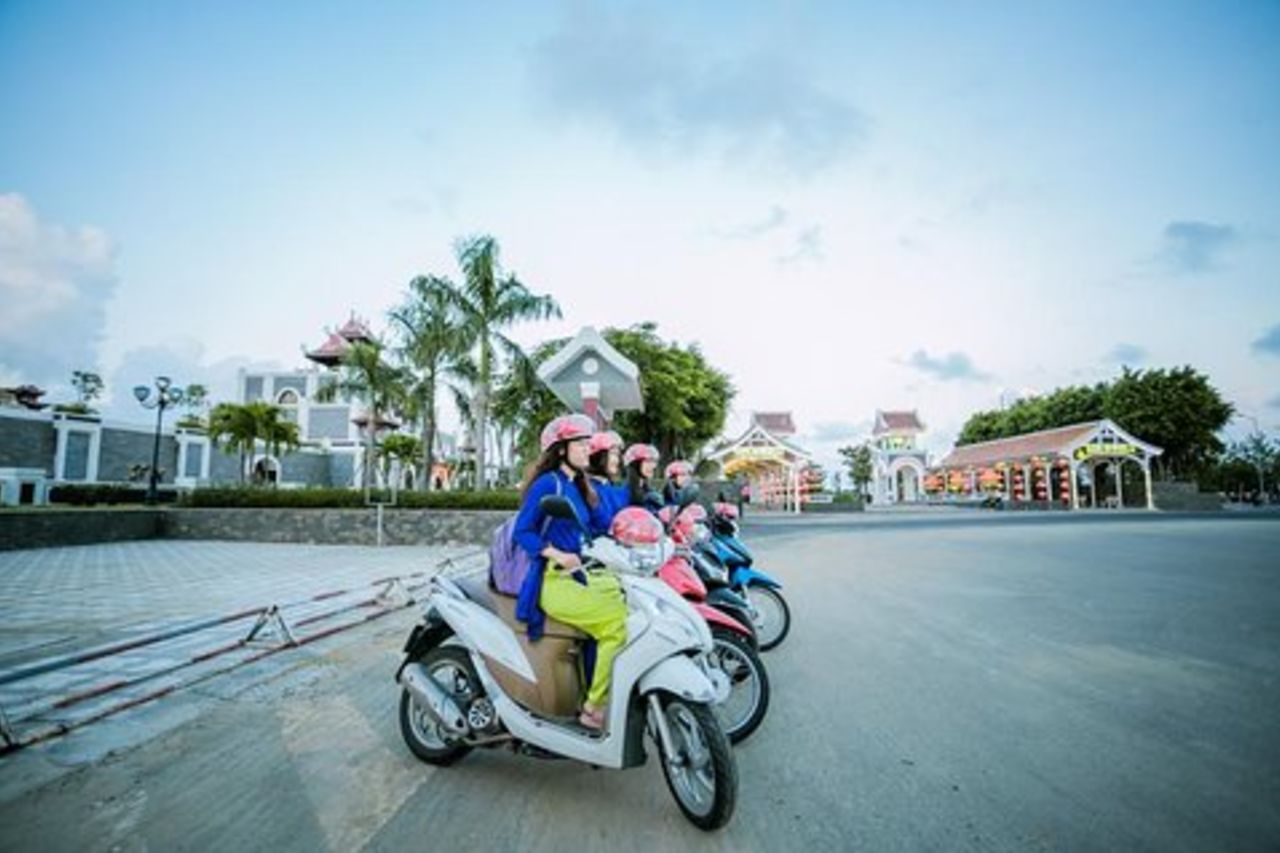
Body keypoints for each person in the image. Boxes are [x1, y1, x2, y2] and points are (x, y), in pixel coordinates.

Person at [512, 414, 625, 731]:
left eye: (590, 444)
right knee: (615, 625)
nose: (588, 450)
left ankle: (607, 685)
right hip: (554, 578)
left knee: (632, 606)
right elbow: (522, 531)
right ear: (562, 449)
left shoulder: (580, 484)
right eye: (581, 444)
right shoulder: (550, 484)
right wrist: (556, 554)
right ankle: (594, 707)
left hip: (585, 572)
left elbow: (600, 525)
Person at [586, 430, 628, 522]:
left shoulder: (615, 488)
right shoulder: (587, 488)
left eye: (618, 455)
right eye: (613, 454)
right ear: (598, 456)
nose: (617, 460)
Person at [622, 443, 663, 511]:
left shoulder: (651, 492)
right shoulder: (624, 492)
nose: (653, 466)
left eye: (654, 462)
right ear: (636, 464)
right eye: (648, 461)